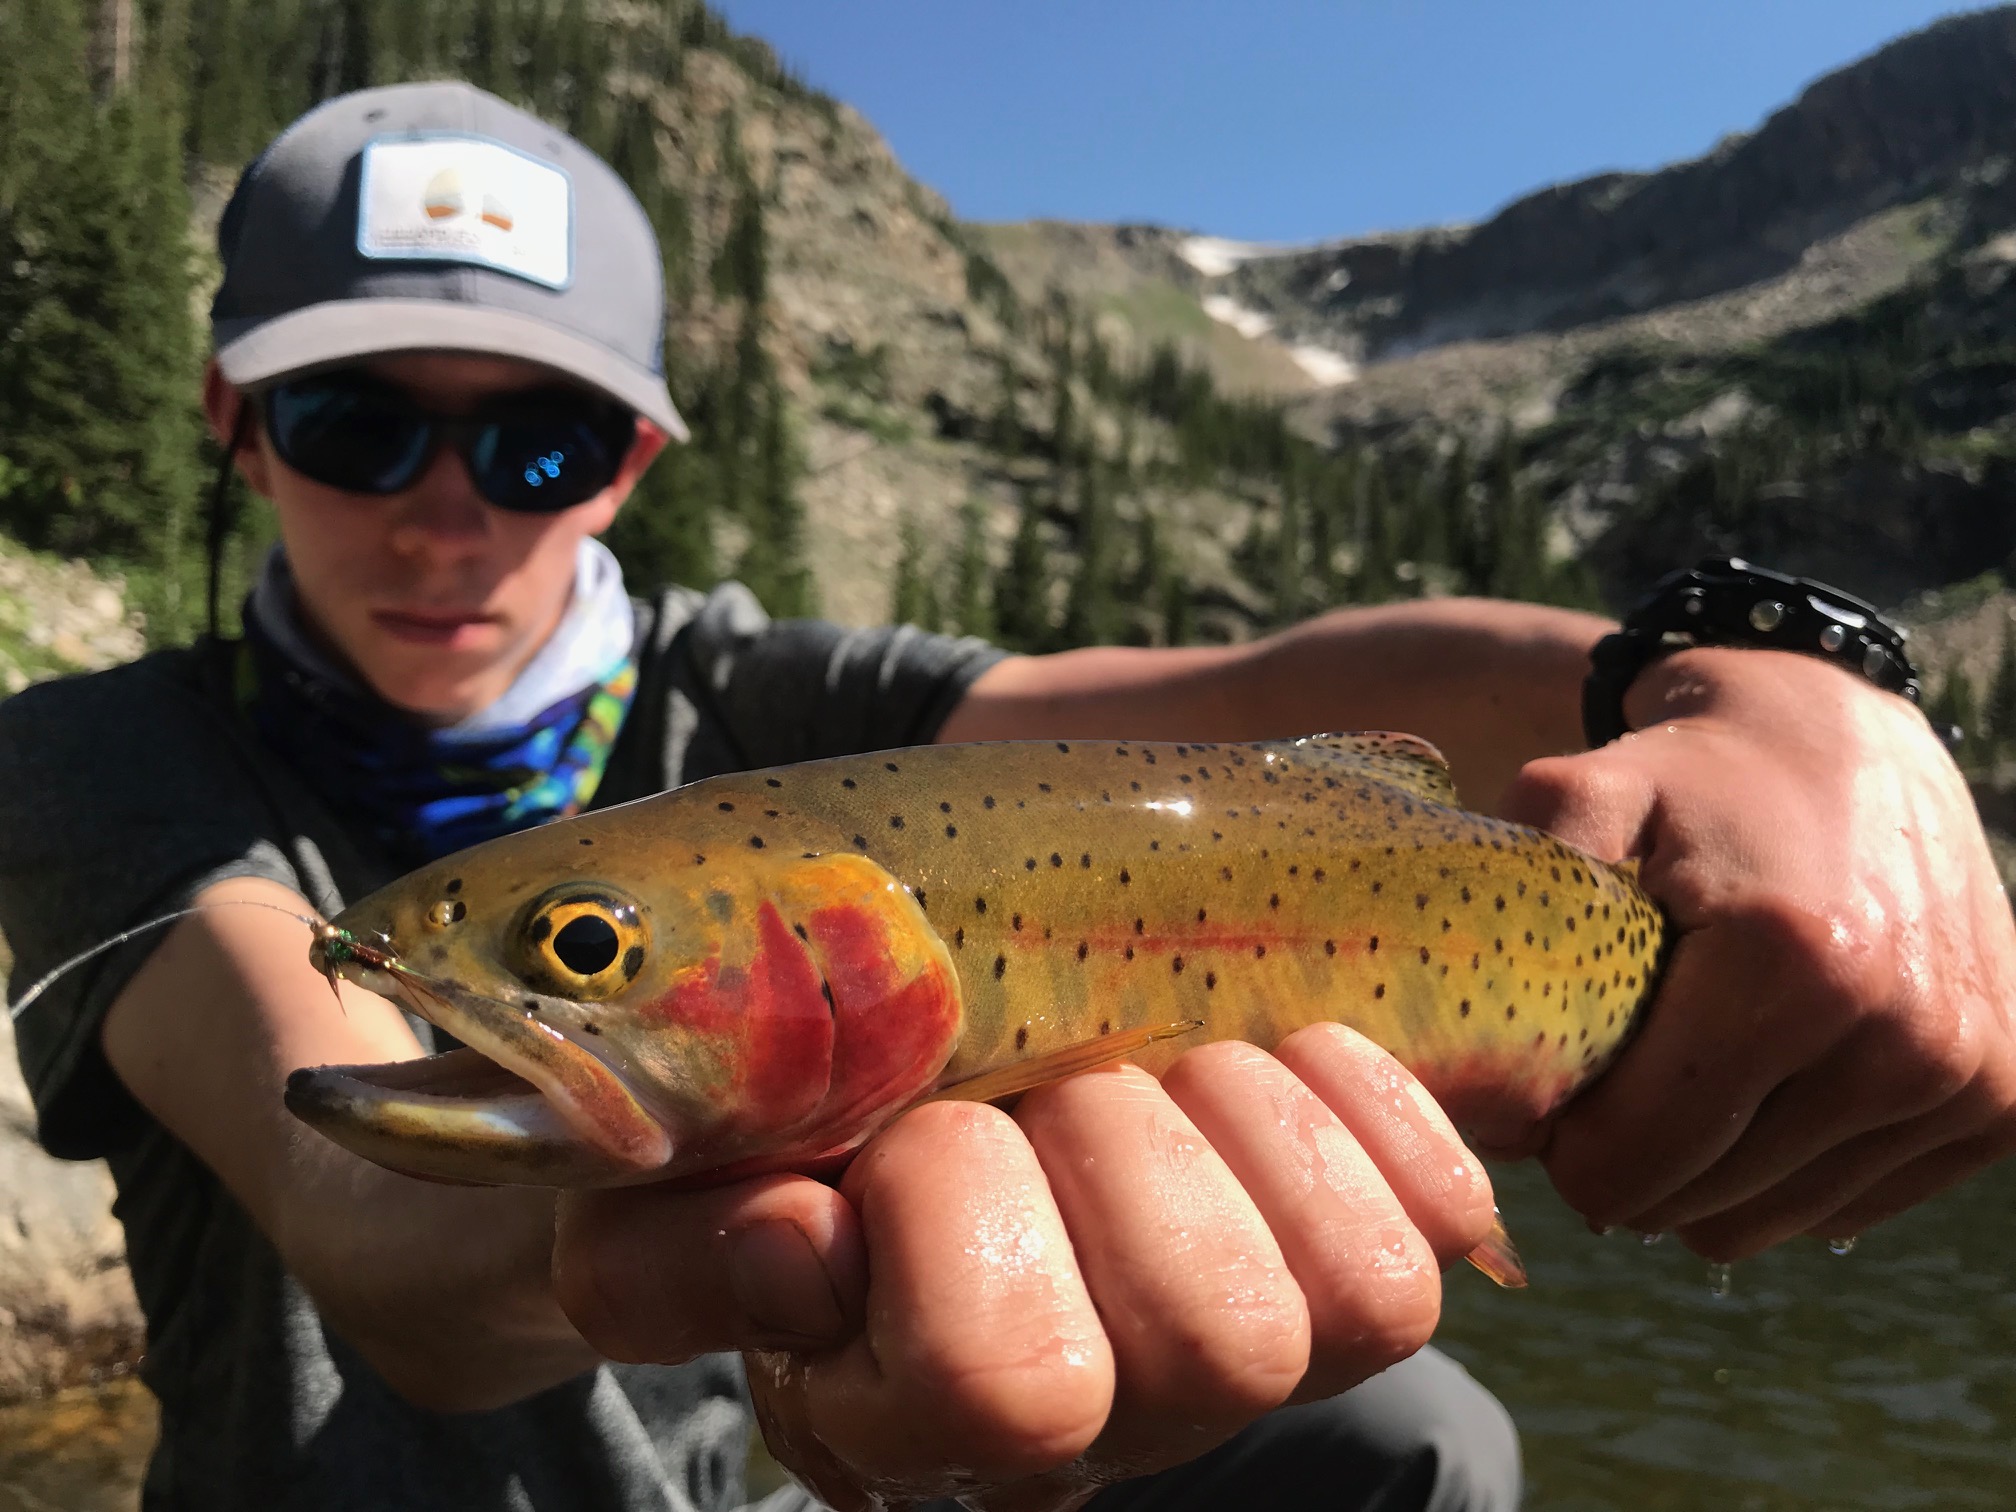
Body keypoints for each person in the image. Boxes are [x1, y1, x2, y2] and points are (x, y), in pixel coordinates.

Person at [1, 78, 2010, 1512]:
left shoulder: (766, 701)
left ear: (633, 457)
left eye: (533, 442)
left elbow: (1264, 696)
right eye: (357, 424)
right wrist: (716, 1195)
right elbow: (370, 1236)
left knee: (1420, 1448)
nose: (447, 518)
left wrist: (1774, 677)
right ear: (233, 429)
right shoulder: (101, 759)